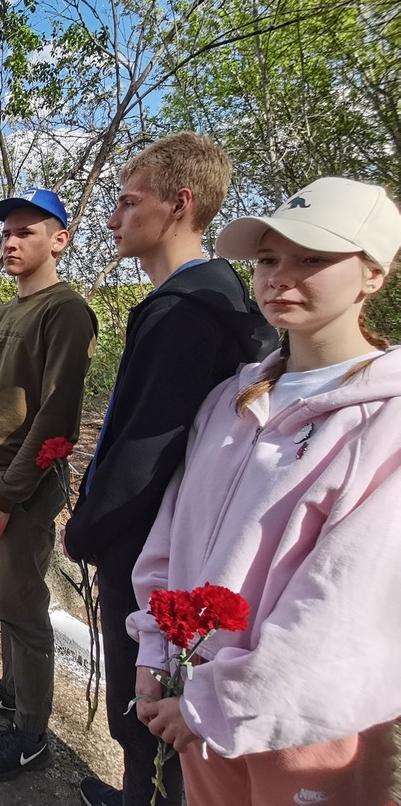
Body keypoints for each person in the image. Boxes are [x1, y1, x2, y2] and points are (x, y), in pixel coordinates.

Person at [128, 177, 401, 806]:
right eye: (270, 259)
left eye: (312, 259)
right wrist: (155, 647)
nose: (281, 277)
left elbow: (343, 607)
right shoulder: (232, 399)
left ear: (372, 276)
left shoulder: (381, 421)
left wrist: (215, 699)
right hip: (197, 701)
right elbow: (173, 533)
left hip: (305, 729)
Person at [62, 133, 278, 806]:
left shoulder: (186, 311)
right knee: (147, 710)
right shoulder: (208, 295)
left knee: (150, 710)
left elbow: (144, 457)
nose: (112, 218)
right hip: (163, 551)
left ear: (180, 204)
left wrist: (85, 530)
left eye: (128, 202)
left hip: (151, 554)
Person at [0, 188, 98, 781]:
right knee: (3, 598)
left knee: (26, 611)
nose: (10, 241)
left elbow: (56, 418)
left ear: (59, 240)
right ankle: (12, 691)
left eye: (26, 231)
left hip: (22, 486)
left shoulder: (67, 310)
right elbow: (11, 399)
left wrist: (6, 497)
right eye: (6, 231)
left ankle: (32, 735)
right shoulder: (10, 310)